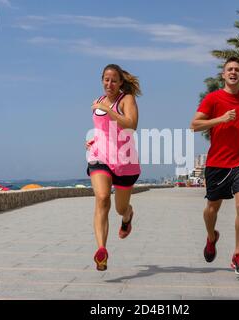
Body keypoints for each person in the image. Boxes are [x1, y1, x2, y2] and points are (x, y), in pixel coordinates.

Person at [190, 57, 239, 275]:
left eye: (237, 69)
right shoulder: (213, 99)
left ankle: (238, 254)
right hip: (217, 162)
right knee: (212, 209)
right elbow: (194, 125)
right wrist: (220, 120)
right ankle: (212, 237)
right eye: (229, 69)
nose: (233, 72)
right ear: (223, 74)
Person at [85, 64, 141, 271]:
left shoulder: (126, 99)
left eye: (114, 80)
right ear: (102, 80)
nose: (110, 84)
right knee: (102, 198)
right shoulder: (96, 102)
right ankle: (102, 250)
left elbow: (131, 124)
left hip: (125, 162)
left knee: (120, 209)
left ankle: (128, 216)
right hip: (99, 158)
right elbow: (101, 130)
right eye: (106, 80)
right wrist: (92, 141)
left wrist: (109, 110)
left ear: (120, 83)